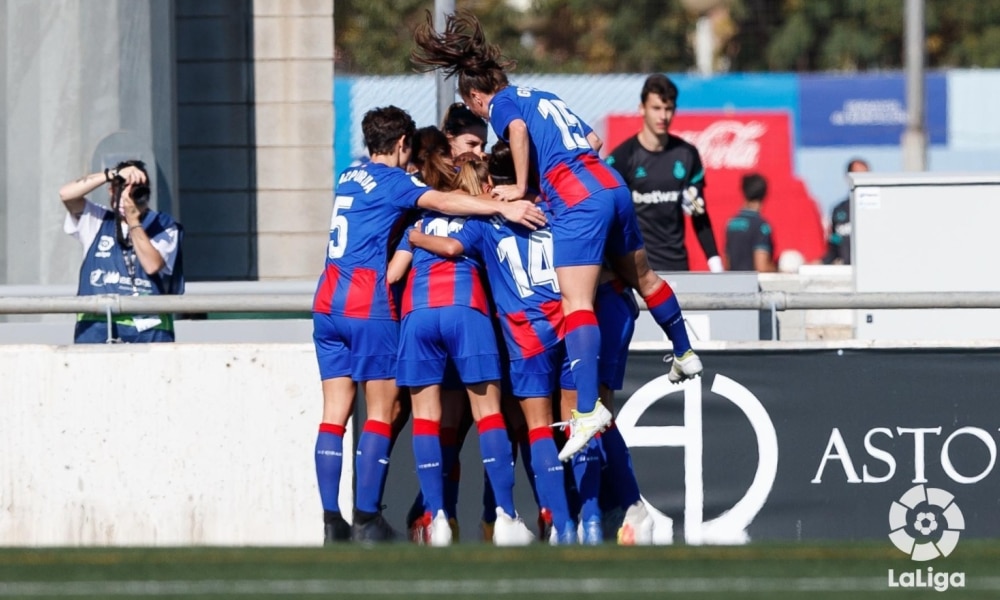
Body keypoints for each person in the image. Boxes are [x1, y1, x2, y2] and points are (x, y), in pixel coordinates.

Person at [411, 10, 703, 464]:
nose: (476, 113)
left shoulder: (504, 104)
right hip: (610, 186)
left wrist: (526, 188)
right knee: (643, 278)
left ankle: (586, 410)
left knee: (576, 304)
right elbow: (593, 140)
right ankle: (684, 351)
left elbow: (520, 133)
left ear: (474, 95)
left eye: (472, 106)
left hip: (579, 199)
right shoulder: (545, 94)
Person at [311, 105, 544, 545]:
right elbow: (442, 202)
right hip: (368, 300)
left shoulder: (347, 176)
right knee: (383, 412)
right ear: (402, 145)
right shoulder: (397, 183)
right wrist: (501, 209)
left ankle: (330, 521)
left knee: (333, 416)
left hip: (327, 298)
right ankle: (366, 519)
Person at [408, 152, 578, 545]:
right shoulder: (550, 209)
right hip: (547, 326)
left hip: (495, 329)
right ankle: (551, 520)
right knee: (542, 426)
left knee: (449, 423)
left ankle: (443, 518)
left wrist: (414, 238)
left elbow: (438, 252)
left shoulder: (478, 223)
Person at [606, 74, 724, 274]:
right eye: (656, 108)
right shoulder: (622, 158)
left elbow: (699, 213)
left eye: (668, 109)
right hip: (637, 271)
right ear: (641, 109)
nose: (663, 116)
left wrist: (715, 263)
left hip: (677, 267)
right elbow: (608, 217)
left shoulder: (687, 154)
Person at [58, 160, 184, 344]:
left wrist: (134, 222)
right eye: (122, 188)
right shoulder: (96, 219)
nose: (128, 195)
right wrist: (112, 174)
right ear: (111, 191)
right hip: (96, 326)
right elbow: (66, 194)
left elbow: (151, 265)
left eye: (136, 190)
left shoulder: (164, 225)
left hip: (149, 330)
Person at [724, 173, 775, 273]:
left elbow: (727, 263)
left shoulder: (731, 224)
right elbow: (761, 267)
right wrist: (779, 269)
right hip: (751, 286)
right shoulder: (761, 226)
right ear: (765, 194)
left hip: (733, 284)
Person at [822, 157, 869, 265]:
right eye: (858, 175)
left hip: (871, 268)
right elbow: (834, 242)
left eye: (865, 174)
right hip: (847, 270)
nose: (862, 179)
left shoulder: (878, 210)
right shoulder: (839, 211)